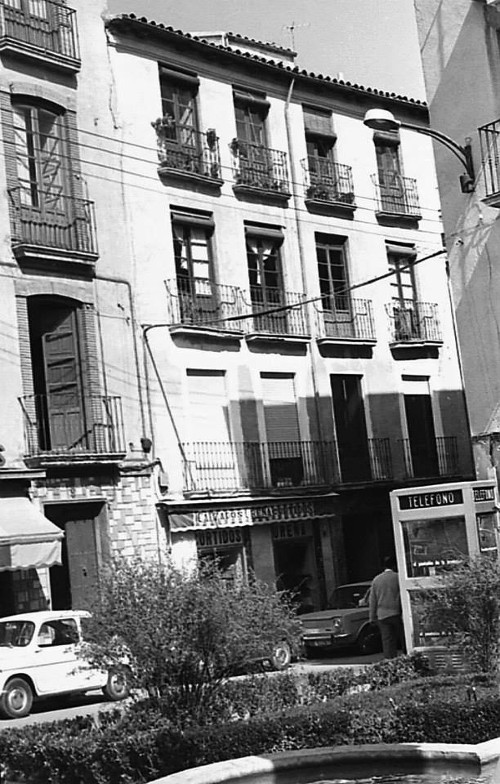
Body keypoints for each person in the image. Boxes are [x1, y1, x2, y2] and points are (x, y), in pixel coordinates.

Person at [369, 555, 403, 659]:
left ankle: (390, 661)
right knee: (403, 638)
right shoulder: (398, 577)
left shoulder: (376, 580)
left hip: (382, 615)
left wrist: (372, 617)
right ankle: (407, 658)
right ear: (395, 565)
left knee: (387, 641)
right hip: (397, 613)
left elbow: (372, 600)